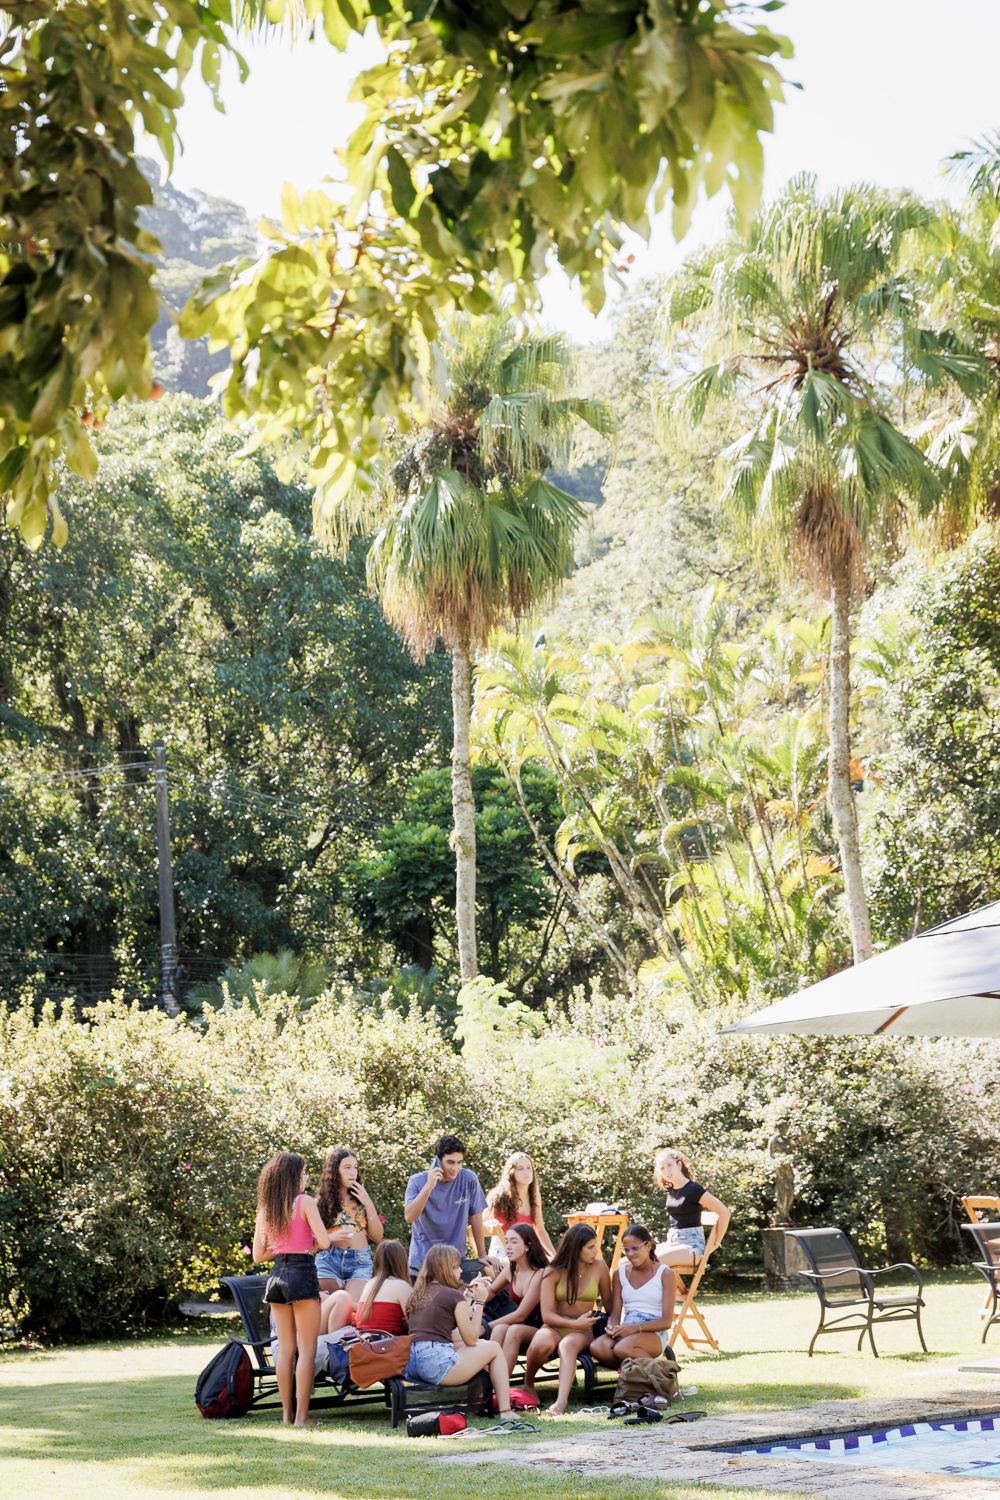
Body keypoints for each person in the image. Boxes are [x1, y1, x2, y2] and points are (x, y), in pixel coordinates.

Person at [252, 1150, 341, 1427]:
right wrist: (308, 1245)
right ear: (294, 1176)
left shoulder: (267, 1210)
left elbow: (258, 1256)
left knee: (286, 1349)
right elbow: (324, 1242)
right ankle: (302, 1417)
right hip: (301, 1273)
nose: (306, 1177)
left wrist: (285, 1248)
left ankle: (286, 1415)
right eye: (303, 1172)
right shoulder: (304, 1202)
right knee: (307, 1349)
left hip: (277, 1275)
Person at [404, 1242, 514, 1418]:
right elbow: (470, 1338)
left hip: (413, 1365)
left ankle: (477, 1402)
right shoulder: (452, 1295)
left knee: (483, 1345)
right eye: (456, 1267)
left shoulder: (418, 1293)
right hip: (437, 1365)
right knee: (493, 1347)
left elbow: (450, 1319)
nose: (461, 1271)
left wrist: (468, 1296)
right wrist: (480, 1301)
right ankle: (506, 1411)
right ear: (445, 1269)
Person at [524, 1222, 612, 1416]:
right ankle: (528, 1383)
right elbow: (547, 1315)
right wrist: (574, 1322)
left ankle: (561, 1402)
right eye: (590, 1247)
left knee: (568, 1344)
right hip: (554, 1326)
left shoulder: (599, 1267)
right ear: (576, 1248)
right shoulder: (553, 1271)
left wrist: (614, 1325)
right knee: (541, 1342)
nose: (595, 1251)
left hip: (584, 1330)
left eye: (595, 1246)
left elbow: (610, 1304)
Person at [590, 1223, 676, 1371]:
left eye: (635, 1248)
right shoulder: (619, 1273)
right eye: (626, 1249)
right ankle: (633, 1373)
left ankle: (665, 1378)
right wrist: (611, 1327)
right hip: (627, 1330)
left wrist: (634, 1329)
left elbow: (667, 1322)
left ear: (648, 1246)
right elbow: (615, 1314)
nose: (630, 1254)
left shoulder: (665, 1273)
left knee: (623, 1348)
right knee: (597, 1347)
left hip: (653, 1333)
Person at [403, 1133, 487, 1278]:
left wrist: (482, 1254)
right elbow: (409, 1217)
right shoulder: (417, 1181)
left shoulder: (469, 1179)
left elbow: (476, 1217)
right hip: (423, 1264)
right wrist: (429, 1186)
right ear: (437, 1161)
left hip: (456, 1263)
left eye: (459, 1162)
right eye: (450, 1162)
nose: (455, 1168)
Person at [315, 1146, 384, 1297]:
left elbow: (378, 1237)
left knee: (352, 1307)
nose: (353, 1172)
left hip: (359, 1262)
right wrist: (329, 1237)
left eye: (355, 1167)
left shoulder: (362, 1200)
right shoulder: (319, 1203)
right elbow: (309, 1242)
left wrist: (368, 1203)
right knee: (329, 1306)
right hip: (328, 1260)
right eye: (347, 1167)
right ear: (335, 1171)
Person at [653, 1146, 731, 1271]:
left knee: (648, 1264)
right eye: (662, 1168)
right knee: (628, 1262)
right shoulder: (671, 1190)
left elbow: (724, 1212)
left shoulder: (693, 1189)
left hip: (692, 1246)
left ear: (679, 1164)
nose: (667, 1171)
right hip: (672, 1243)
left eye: (669, 1165)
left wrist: (715, 1244)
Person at [487, 1223, 548, 1375]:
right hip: (523, 1325)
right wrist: (470, 1301)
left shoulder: (539, 1274)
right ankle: (488, 1380)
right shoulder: (511, 1269)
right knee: (500, 1328)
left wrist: (485, 1326)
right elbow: (491, 1290)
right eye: (507, 1242)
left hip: (544, 1328)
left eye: (514, 1242)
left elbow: (521, 1314)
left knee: (514, 1330)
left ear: (528, 1246)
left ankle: (501, 1383)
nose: (508, 1247)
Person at [484, 1151, 555, 1258]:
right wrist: (490, 1223)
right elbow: (481, 1224)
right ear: (512, 1172)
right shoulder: (499, 1195)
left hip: (525, 1250)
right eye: (520, 1169)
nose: (526, 1172)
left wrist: (554, 1256)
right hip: (502, 1251)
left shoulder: (535, 1195)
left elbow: (540, 1230)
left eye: (528, 1168)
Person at [352, 1239, 412, 1335]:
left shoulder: (369, 1284)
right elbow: (414, 1322)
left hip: (364, 1339)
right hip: (388, 1340)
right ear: (402, 1262)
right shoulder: (402, 1286)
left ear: (377, 1261)